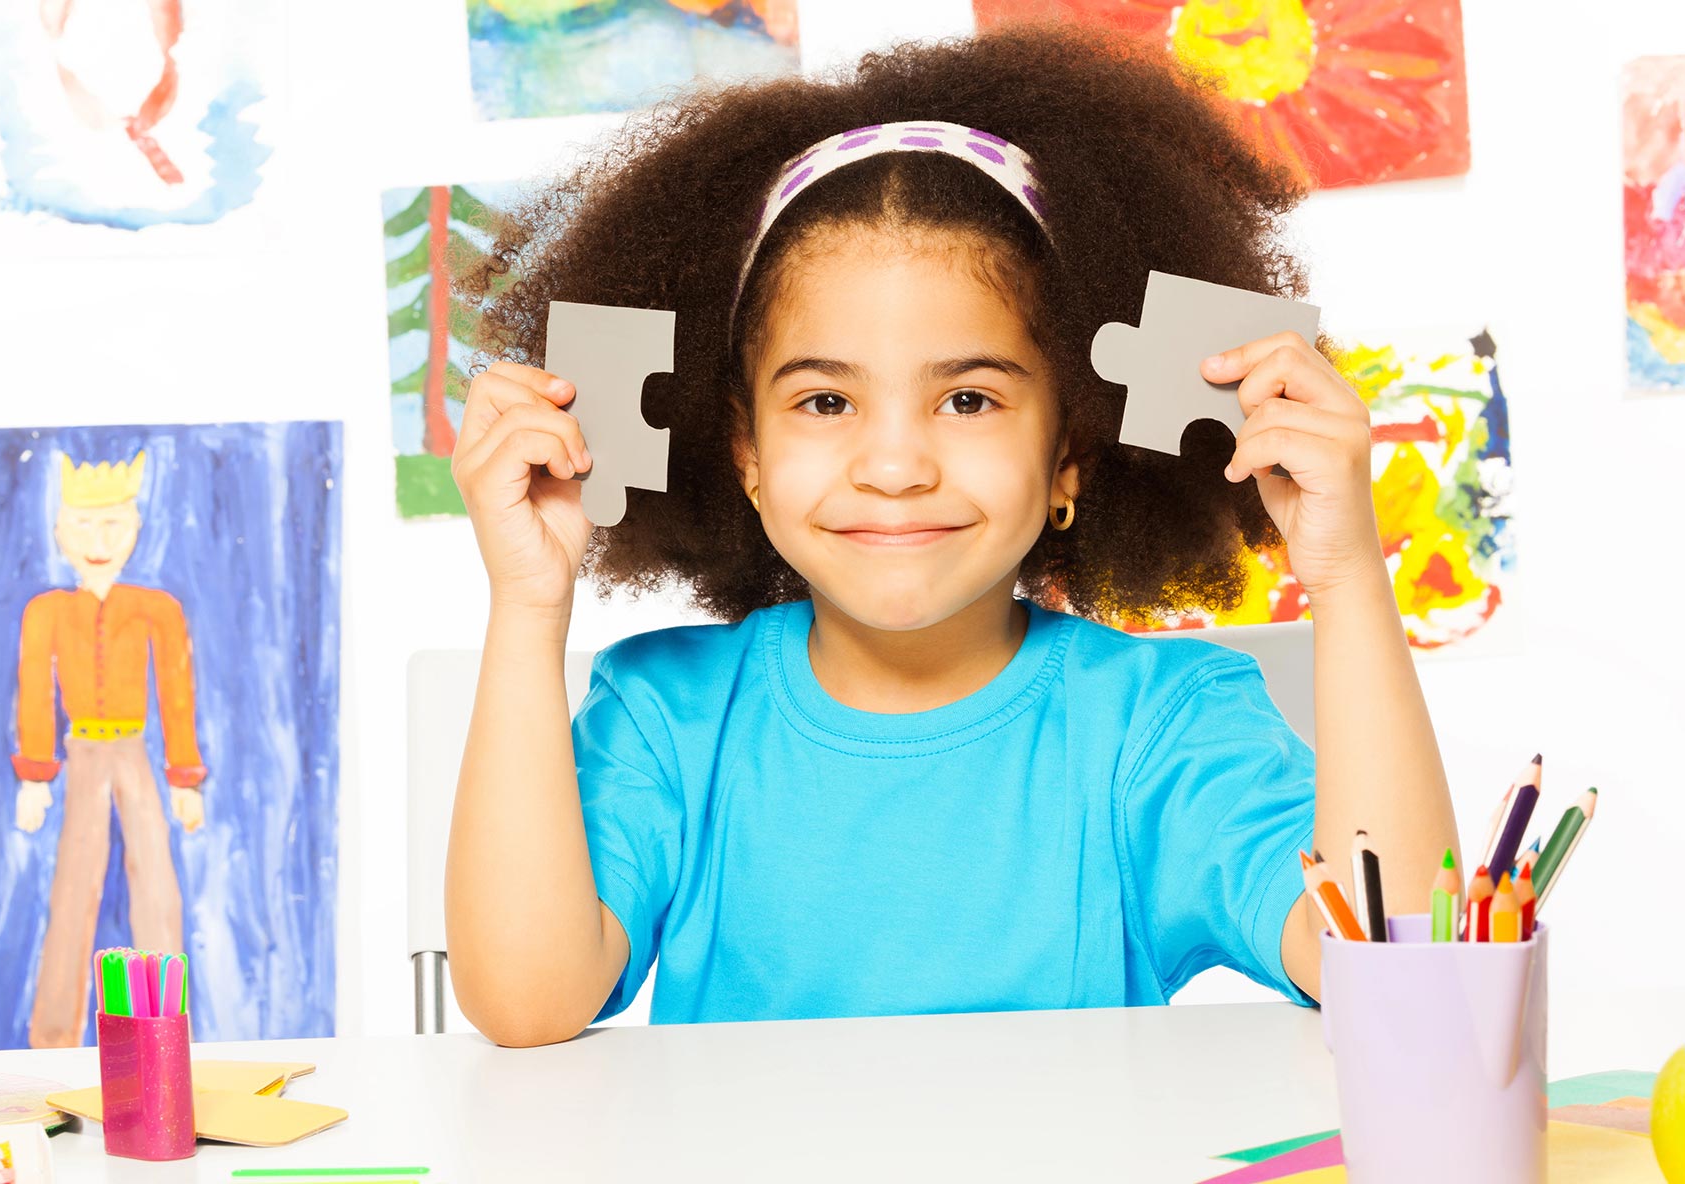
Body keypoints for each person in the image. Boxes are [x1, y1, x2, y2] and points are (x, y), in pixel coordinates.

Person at [443, 23, 1459, 1048]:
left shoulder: (1155, 725)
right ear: (744, 450)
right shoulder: (671, 714)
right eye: (826, 402)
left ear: (1068, 451)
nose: (895, 465)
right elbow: (526, 1003)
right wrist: (529, 605)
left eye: (968, 399)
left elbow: (1399, 966)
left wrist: (1343, 573)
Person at [13, 450, 206, 1048]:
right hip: (80, 757)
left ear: (136, 530)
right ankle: (52, 1040)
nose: (99, 540)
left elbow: (176, 690)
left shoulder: (156, 609)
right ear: (59, 532)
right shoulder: (46, 612)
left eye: (113, 525)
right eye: (84, 525)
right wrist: (36, 778)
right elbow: (35, 694)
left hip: (135, 754)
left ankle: (165, 1036)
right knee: (73, 888)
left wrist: (183, 779)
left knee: (156, 885)